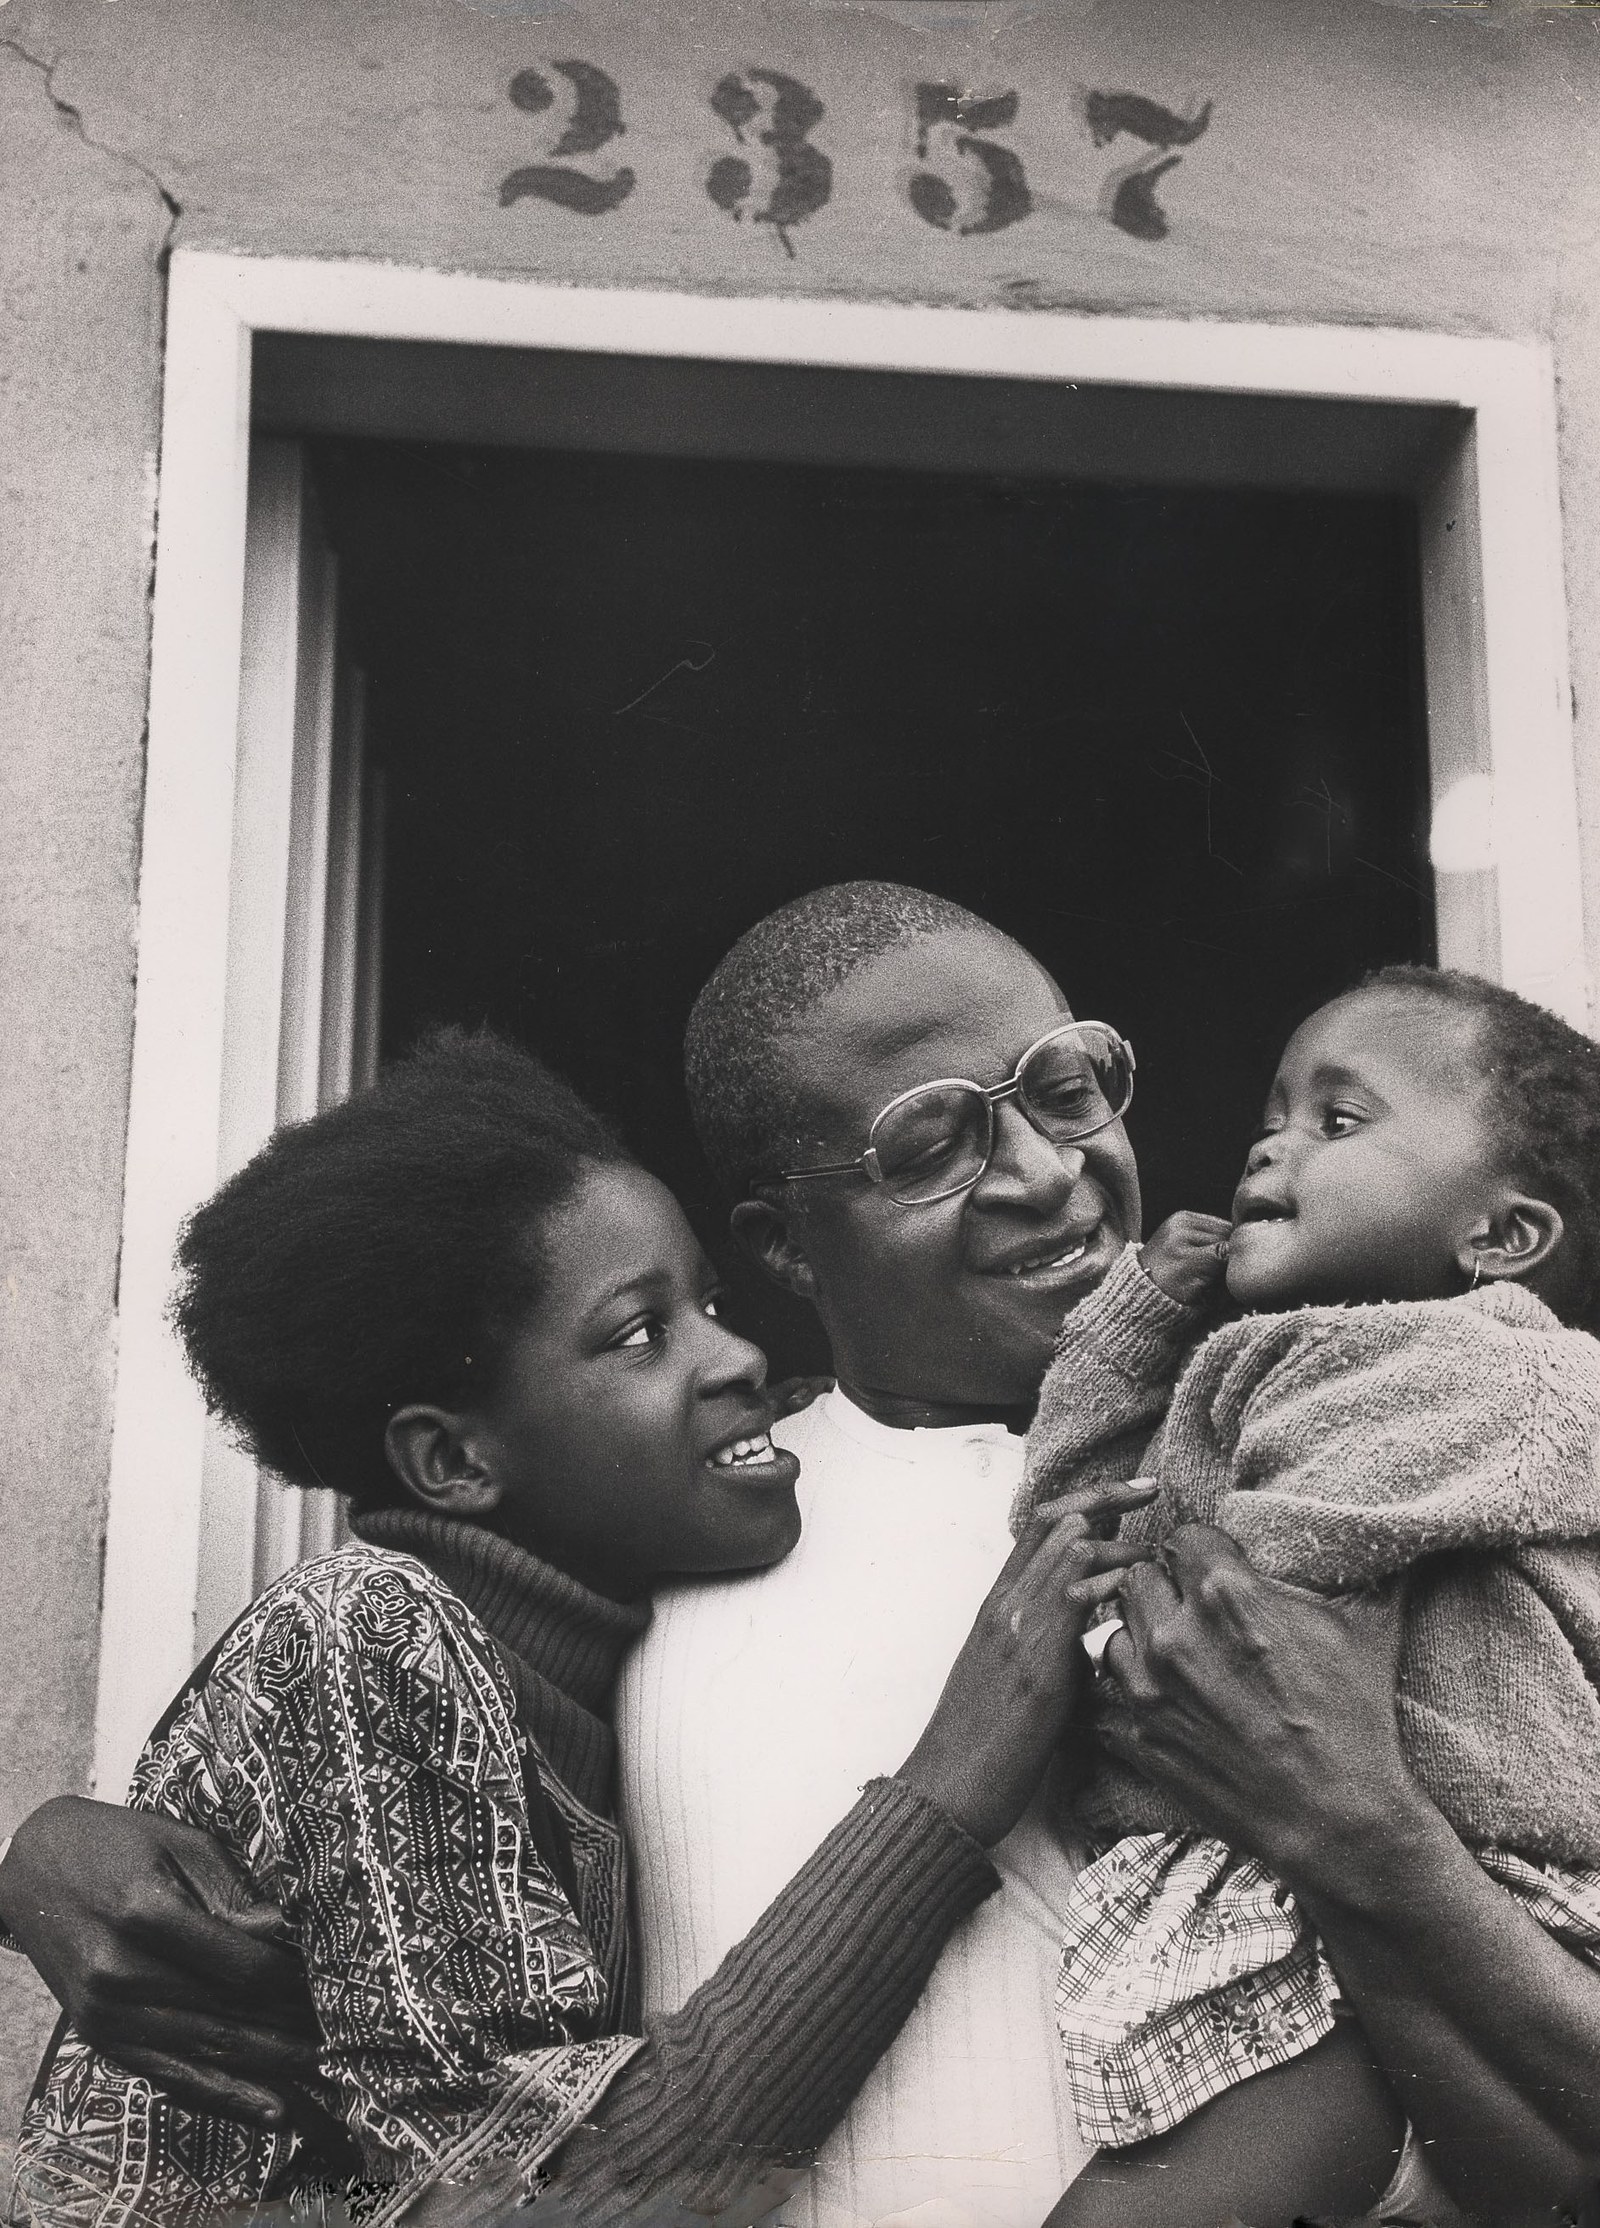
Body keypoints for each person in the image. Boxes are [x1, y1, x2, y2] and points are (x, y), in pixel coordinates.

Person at [7, 885, 1600, 2221]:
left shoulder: (1316, 1464)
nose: (1050, 1173)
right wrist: (54, 1850)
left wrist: (1366, 1831)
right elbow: (387, 1706)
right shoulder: (710, 1514)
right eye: (931, 1145)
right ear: (779, 1245)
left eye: (1065, 1089)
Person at [7, 1029, 1142, 2228]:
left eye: (707, 1301)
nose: (743, 1353)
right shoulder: (367, 1632)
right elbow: (549, 2195)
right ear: (452, 1459)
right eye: (640, 1334)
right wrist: (962, 1765)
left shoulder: (586, 1626)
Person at [1015, 966, 1600, 2227]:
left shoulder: (1501, 1370)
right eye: (1273, 1113)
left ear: (1500, 1237)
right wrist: (1125, 1333)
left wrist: (1141, 1625)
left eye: (1340, 1121)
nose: (1273, 1139)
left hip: (1482, 1894)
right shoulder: (1256, 1364)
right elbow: (1073, 1535)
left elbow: (1258, 1606)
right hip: (1309, 1885)